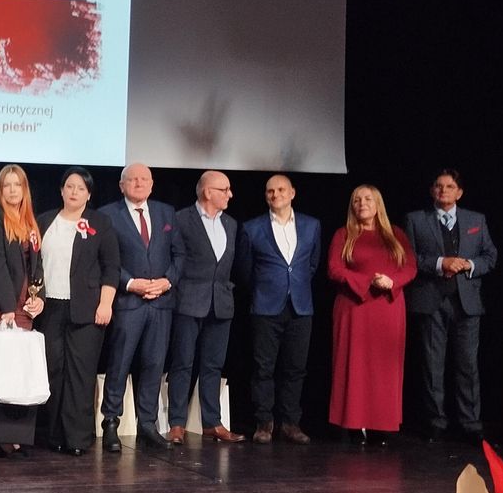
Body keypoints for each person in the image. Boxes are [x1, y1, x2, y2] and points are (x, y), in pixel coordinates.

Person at [403, 170, 498, 444]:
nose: (443, 190)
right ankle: (436, 421)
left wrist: (469, 264)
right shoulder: (416, 219)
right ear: (432, 190)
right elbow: (409, 257)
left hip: (466, 302)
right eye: (438, 185)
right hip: (431, 300)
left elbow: (490, 256)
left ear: (459, 192)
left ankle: (470, 423)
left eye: (449, 186)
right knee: (432, 365)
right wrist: (439, 263)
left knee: (468, 365)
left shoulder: (476, 220)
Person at [99, 163, 182, 452]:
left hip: (161, 303)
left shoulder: (166, 213)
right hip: (127, 302)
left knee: (154, 364)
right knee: (119, 363)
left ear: (152, 184)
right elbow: (106, 259)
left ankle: (147, 424)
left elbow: (179, 255)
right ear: (121, 185)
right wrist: (131, 283)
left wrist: (167, 281)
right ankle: (111, 422)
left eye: (144, 179)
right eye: (132, 179)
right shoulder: (108, 215)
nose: (138, 183)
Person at [36, 168, 118, 456]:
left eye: (80, 188)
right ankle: (54, 435)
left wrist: (106, 303)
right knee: (53, 370)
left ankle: (77, 439)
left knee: (80, 374)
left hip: (87, 309)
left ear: (89, 194)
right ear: (61, 190)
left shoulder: (100, 222)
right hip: (50, 308)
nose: (74, 192)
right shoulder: (44, 221)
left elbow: (111, 267)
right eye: (69, 186)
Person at [327, 185, 417, 445]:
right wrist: (366, 282)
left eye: (367, 199)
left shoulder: (395, 234)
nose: (362, 204)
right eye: (356, 200)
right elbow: (334, 268)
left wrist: (392, 281)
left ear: (378, 204)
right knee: (354, 367)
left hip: (387, 309)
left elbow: (410, 267)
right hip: (354, 307)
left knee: (384, 370)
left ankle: (381, 426)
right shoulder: (343, 234)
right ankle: (353, 425)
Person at [235, 174, 322, 445]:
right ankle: (264, 422)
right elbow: (245, 270)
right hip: (265, 307)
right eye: (270, 191)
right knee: (263, 368)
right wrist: (266, 288)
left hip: (300, 306)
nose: (275, 195)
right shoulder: (252, 228)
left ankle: (290, 423)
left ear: (292, 193)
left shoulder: (311, 225)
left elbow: (311, 264)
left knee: (295, 368)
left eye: (281, 190)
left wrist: (293, 285)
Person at [167, 171, 243, 445]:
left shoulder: (231, 224)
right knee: (182, 363)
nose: (230, 194)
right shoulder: (181, 219)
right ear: (208, 192)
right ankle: (177, 423)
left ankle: (212, 423)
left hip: (221, 303)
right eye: (225, 189)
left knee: (213, 365)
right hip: (188, 301)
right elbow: (174, 259)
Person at [0, 165, 43, 331]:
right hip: (1, 307)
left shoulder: (30, 220)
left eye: (17, 184)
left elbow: (37, 263)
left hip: (25, 308)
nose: (13, 190)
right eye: (7, 185)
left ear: (24, 188)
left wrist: (39, 297)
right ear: (0, 190)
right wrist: (7, 307)